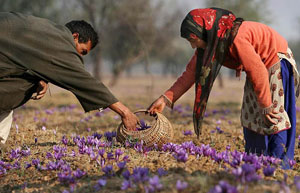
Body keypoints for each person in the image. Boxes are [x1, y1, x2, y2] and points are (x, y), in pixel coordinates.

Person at [148, 8, 300, 168]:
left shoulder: (236, 38)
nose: (193, 46)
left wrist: (266, 106)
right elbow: (191, 73)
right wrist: (165, 99)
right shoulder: (211, 43)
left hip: (275, 62)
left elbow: (258, 70)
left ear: (203, 33)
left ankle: (279, 164)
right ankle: (257, 161)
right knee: (251, 115)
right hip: (259, 69)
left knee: (272, 117)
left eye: (193, 40)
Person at [0, 12, 139, 145]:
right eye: (82, 51)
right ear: (75, 37)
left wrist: (40, 77)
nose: (80, 57)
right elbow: (85, 82)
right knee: (20, 90)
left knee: (22, 87)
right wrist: (125, 112)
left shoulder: (47, 31)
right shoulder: (61, 43)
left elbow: (24, 57)